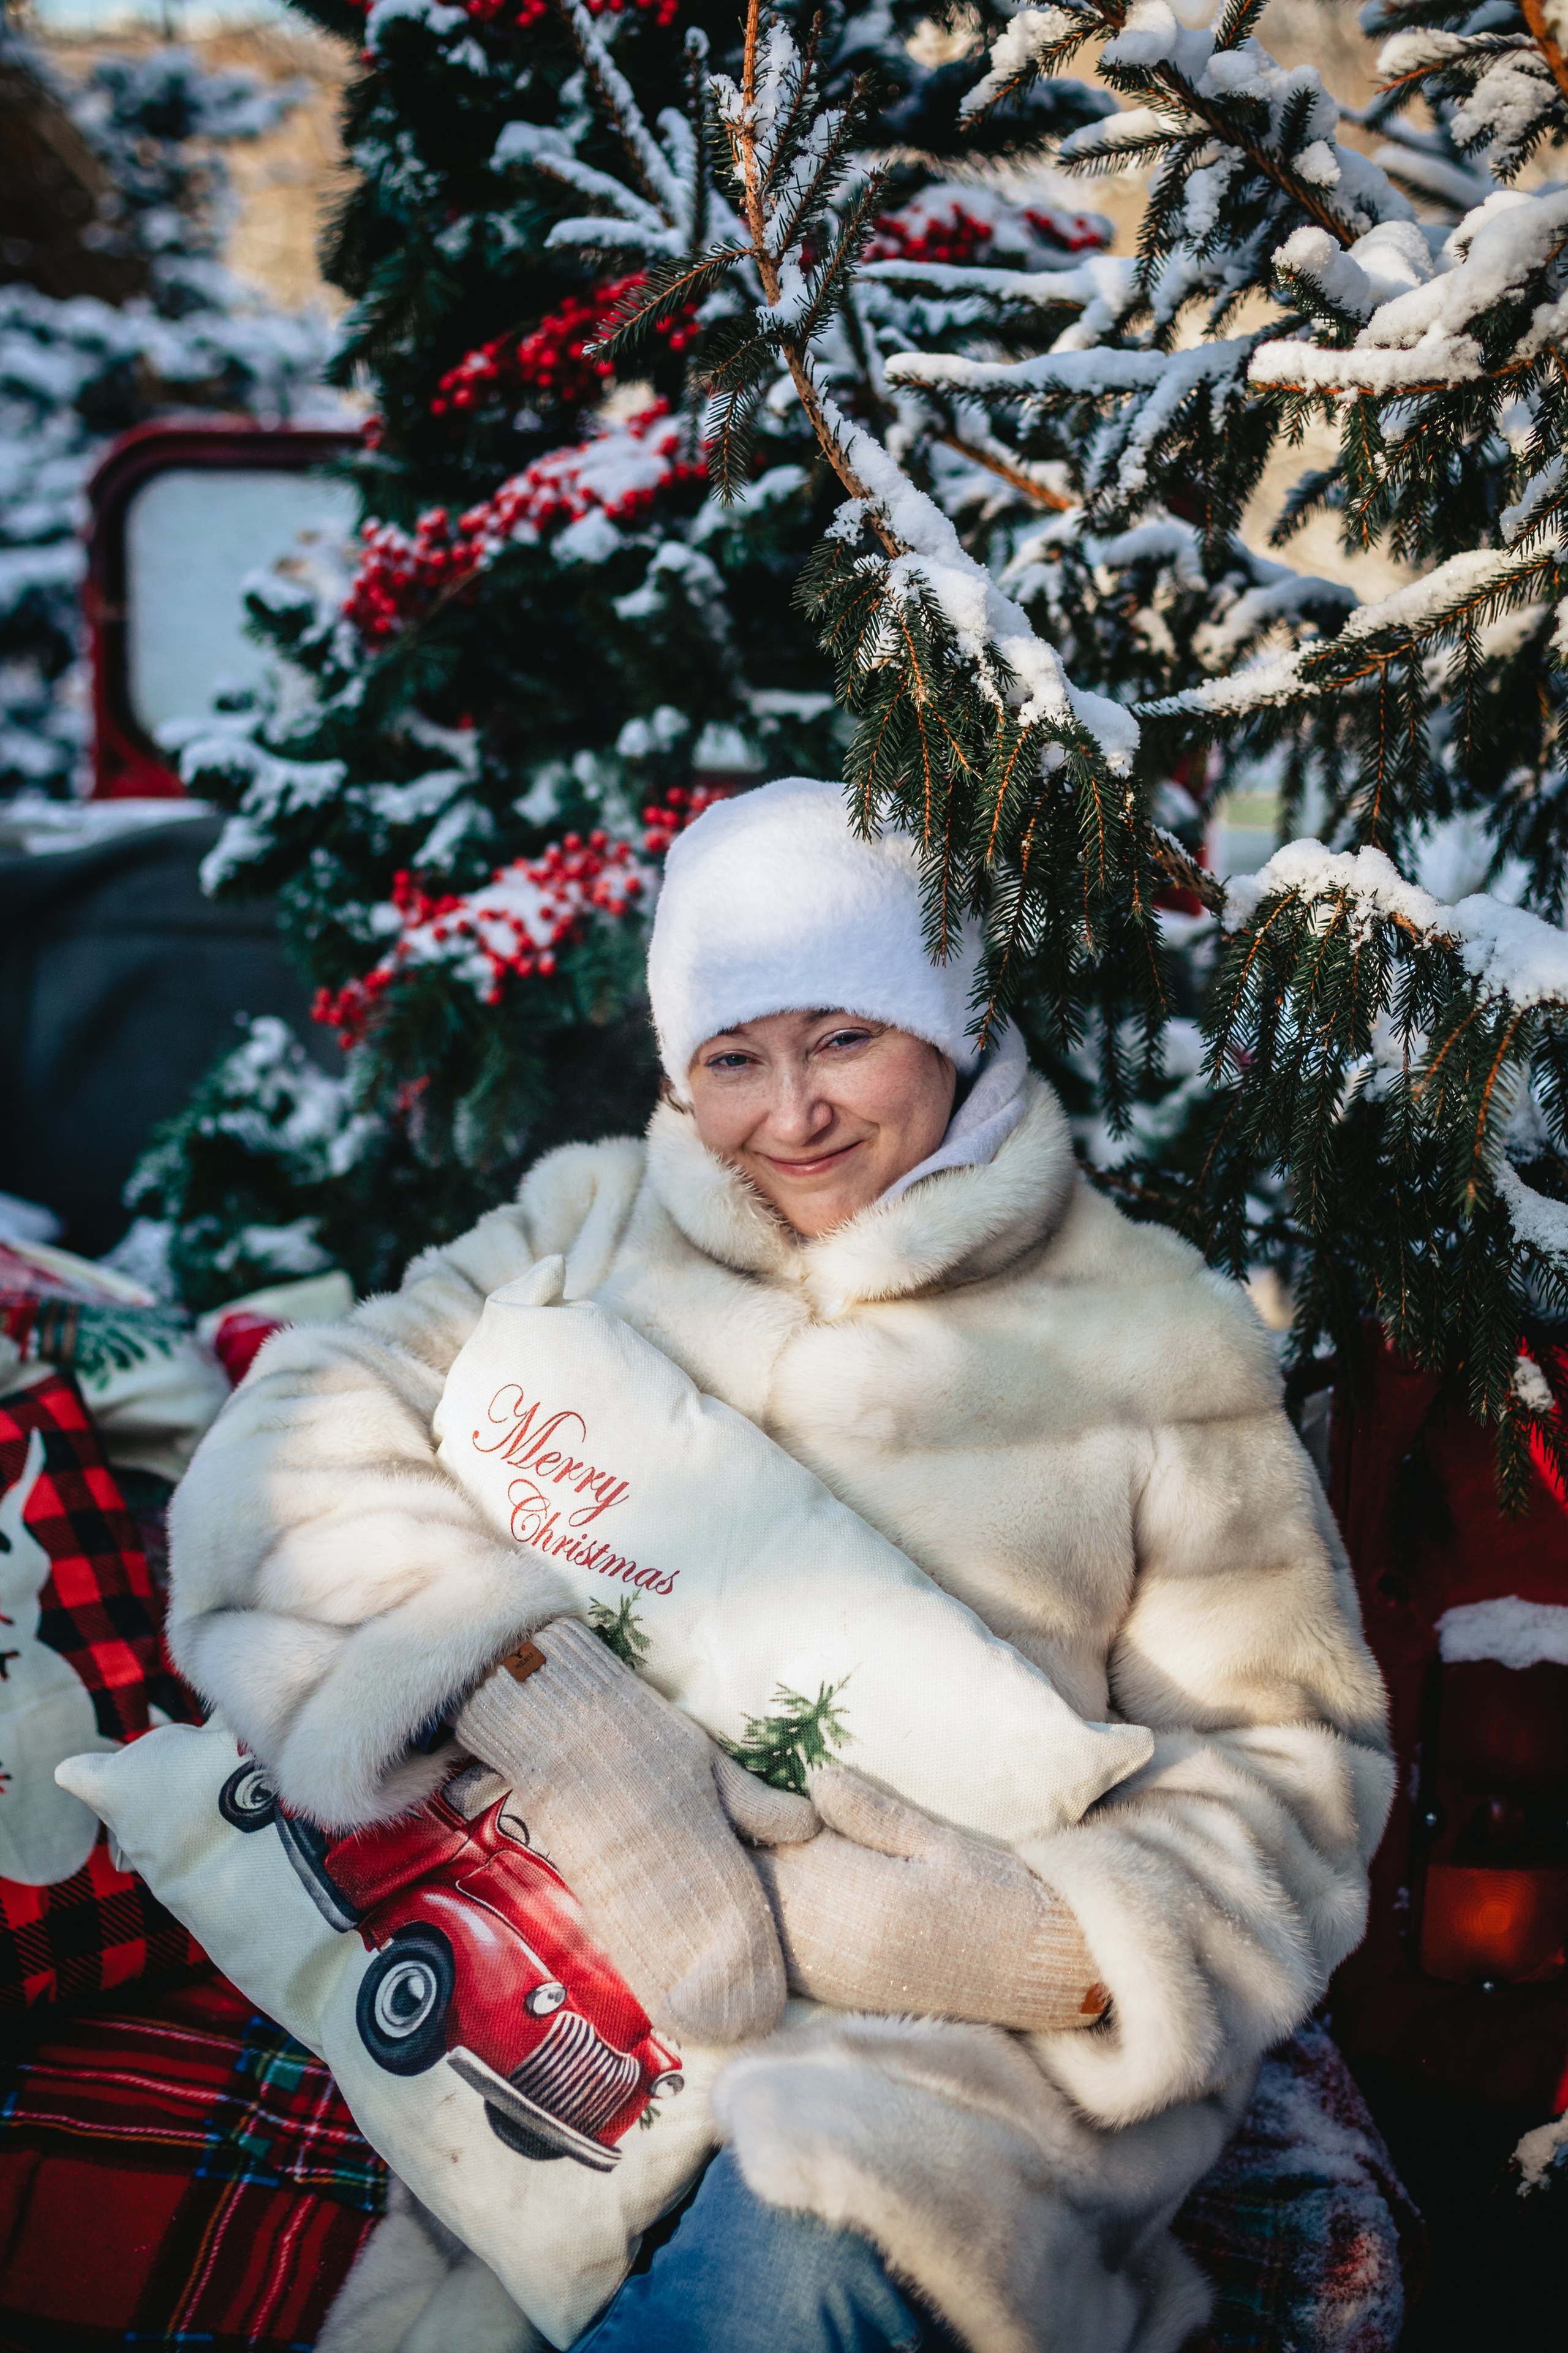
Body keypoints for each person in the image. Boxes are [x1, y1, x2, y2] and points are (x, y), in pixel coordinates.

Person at [168, 779, 1394, 2353]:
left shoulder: (1154, 1343)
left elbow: (1292, 1767)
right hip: (568, 1997)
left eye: (843, 1037)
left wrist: (1044, 1942)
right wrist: (542, 1695)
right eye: (732, 1059)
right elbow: (282, 1455)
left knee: (794, 2265)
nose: (792, 1114)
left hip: (932, 2083)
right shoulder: (587, 1231)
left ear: (949, 1025)